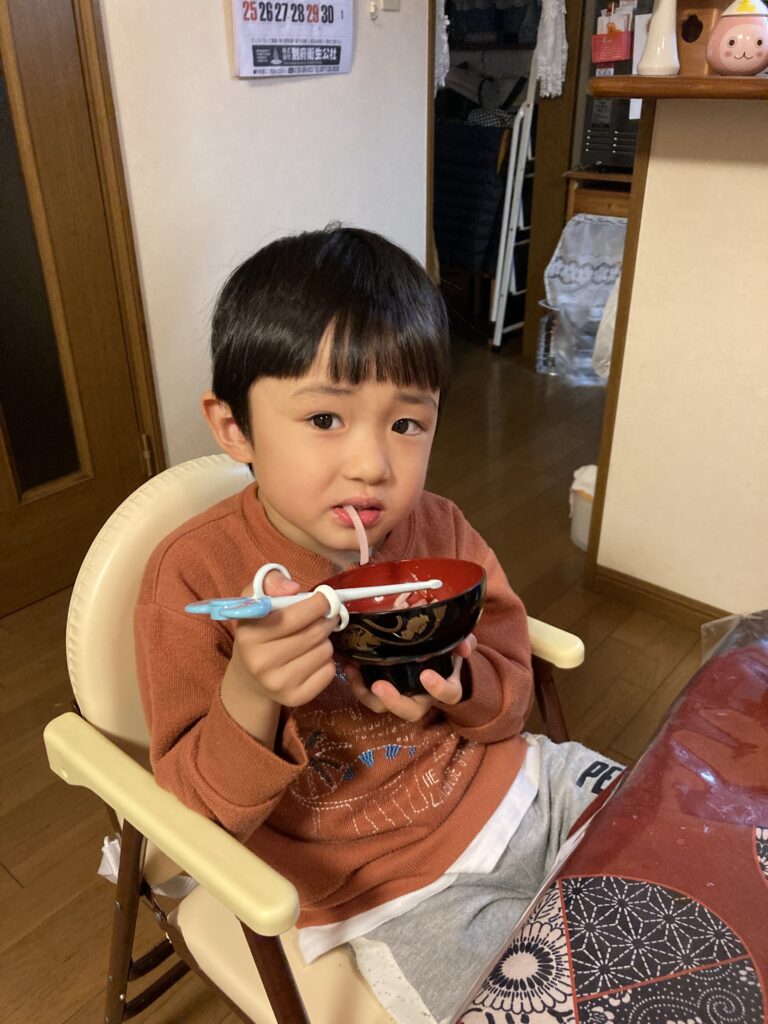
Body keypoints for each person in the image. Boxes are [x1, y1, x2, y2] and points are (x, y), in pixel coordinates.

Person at [135, 226, 622, 1024]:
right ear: (233, 427)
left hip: (529, 788)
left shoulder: (440, 529)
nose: (372, 465)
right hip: (382, 886)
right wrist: (250, 692)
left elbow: (508, 696)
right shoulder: (193, 575)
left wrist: (458, 684)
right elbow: (197, 818)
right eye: (326, 418)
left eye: (406, 424)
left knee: (689, 847)